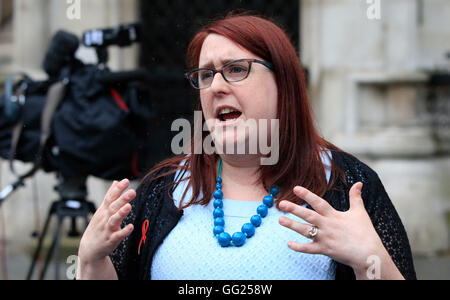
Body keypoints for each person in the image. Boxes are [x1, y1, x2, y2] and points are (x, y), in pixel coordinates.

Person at [76, 12, 416, 280]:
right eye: (205, 75)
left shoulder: (347, 186)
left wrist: (371, 262)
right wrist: (90, 261)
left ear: (283, 82)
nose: (215, 87)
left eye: (236, 69)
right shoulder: (161, 190)